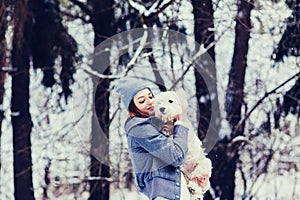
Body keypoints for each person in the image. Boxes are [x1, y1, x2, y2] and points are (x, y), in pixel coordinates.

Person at [116, 77, 190, 200]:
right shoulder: (140, 129)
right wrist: (179, 125)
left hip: (172, 190)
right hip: (164, 194)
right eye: (141, 101)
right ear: (133, 108)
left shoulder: (153, 125)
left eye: (150, 96)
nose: (150, 102)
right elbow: (177, 156)